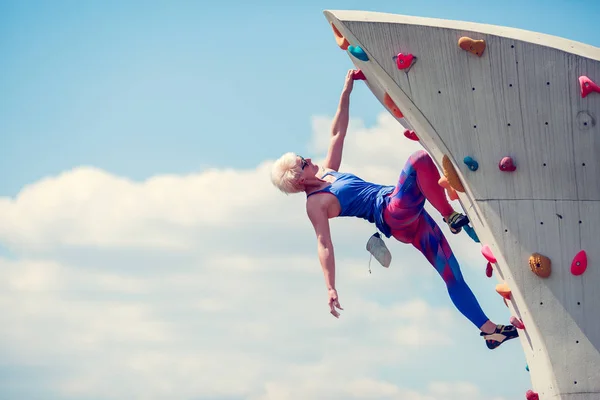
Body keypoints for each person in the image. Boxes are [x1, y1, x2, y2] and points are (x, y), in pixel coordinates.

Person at [270, 69, 519, 350]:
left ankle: (489, 331)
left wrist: (347, 90)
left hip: (406, 221)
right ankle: (449, 215)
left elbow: (337, 133)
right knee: (418, 160)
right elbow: (324, 244)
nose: (310, 159)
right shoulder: (316, 203)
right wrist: (330, 286)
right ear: (300, 179)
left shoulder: (328, 173)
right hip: (391, 211)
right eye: (303, 161)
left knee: (452, 272)